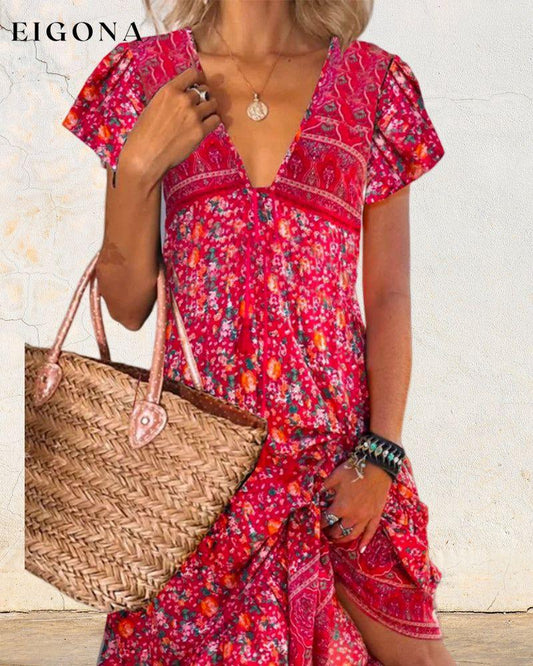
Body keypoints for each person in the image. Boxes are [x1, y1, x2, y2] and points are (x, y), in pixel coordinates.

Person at [62, 1, 455, 664]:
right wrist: (139, 165)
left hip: (338, 475)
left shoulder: (375, 83)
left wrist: (380, 456)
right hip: (198, 486)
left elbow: (388, 294)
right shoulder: (145, 78)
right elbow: (127, 306)